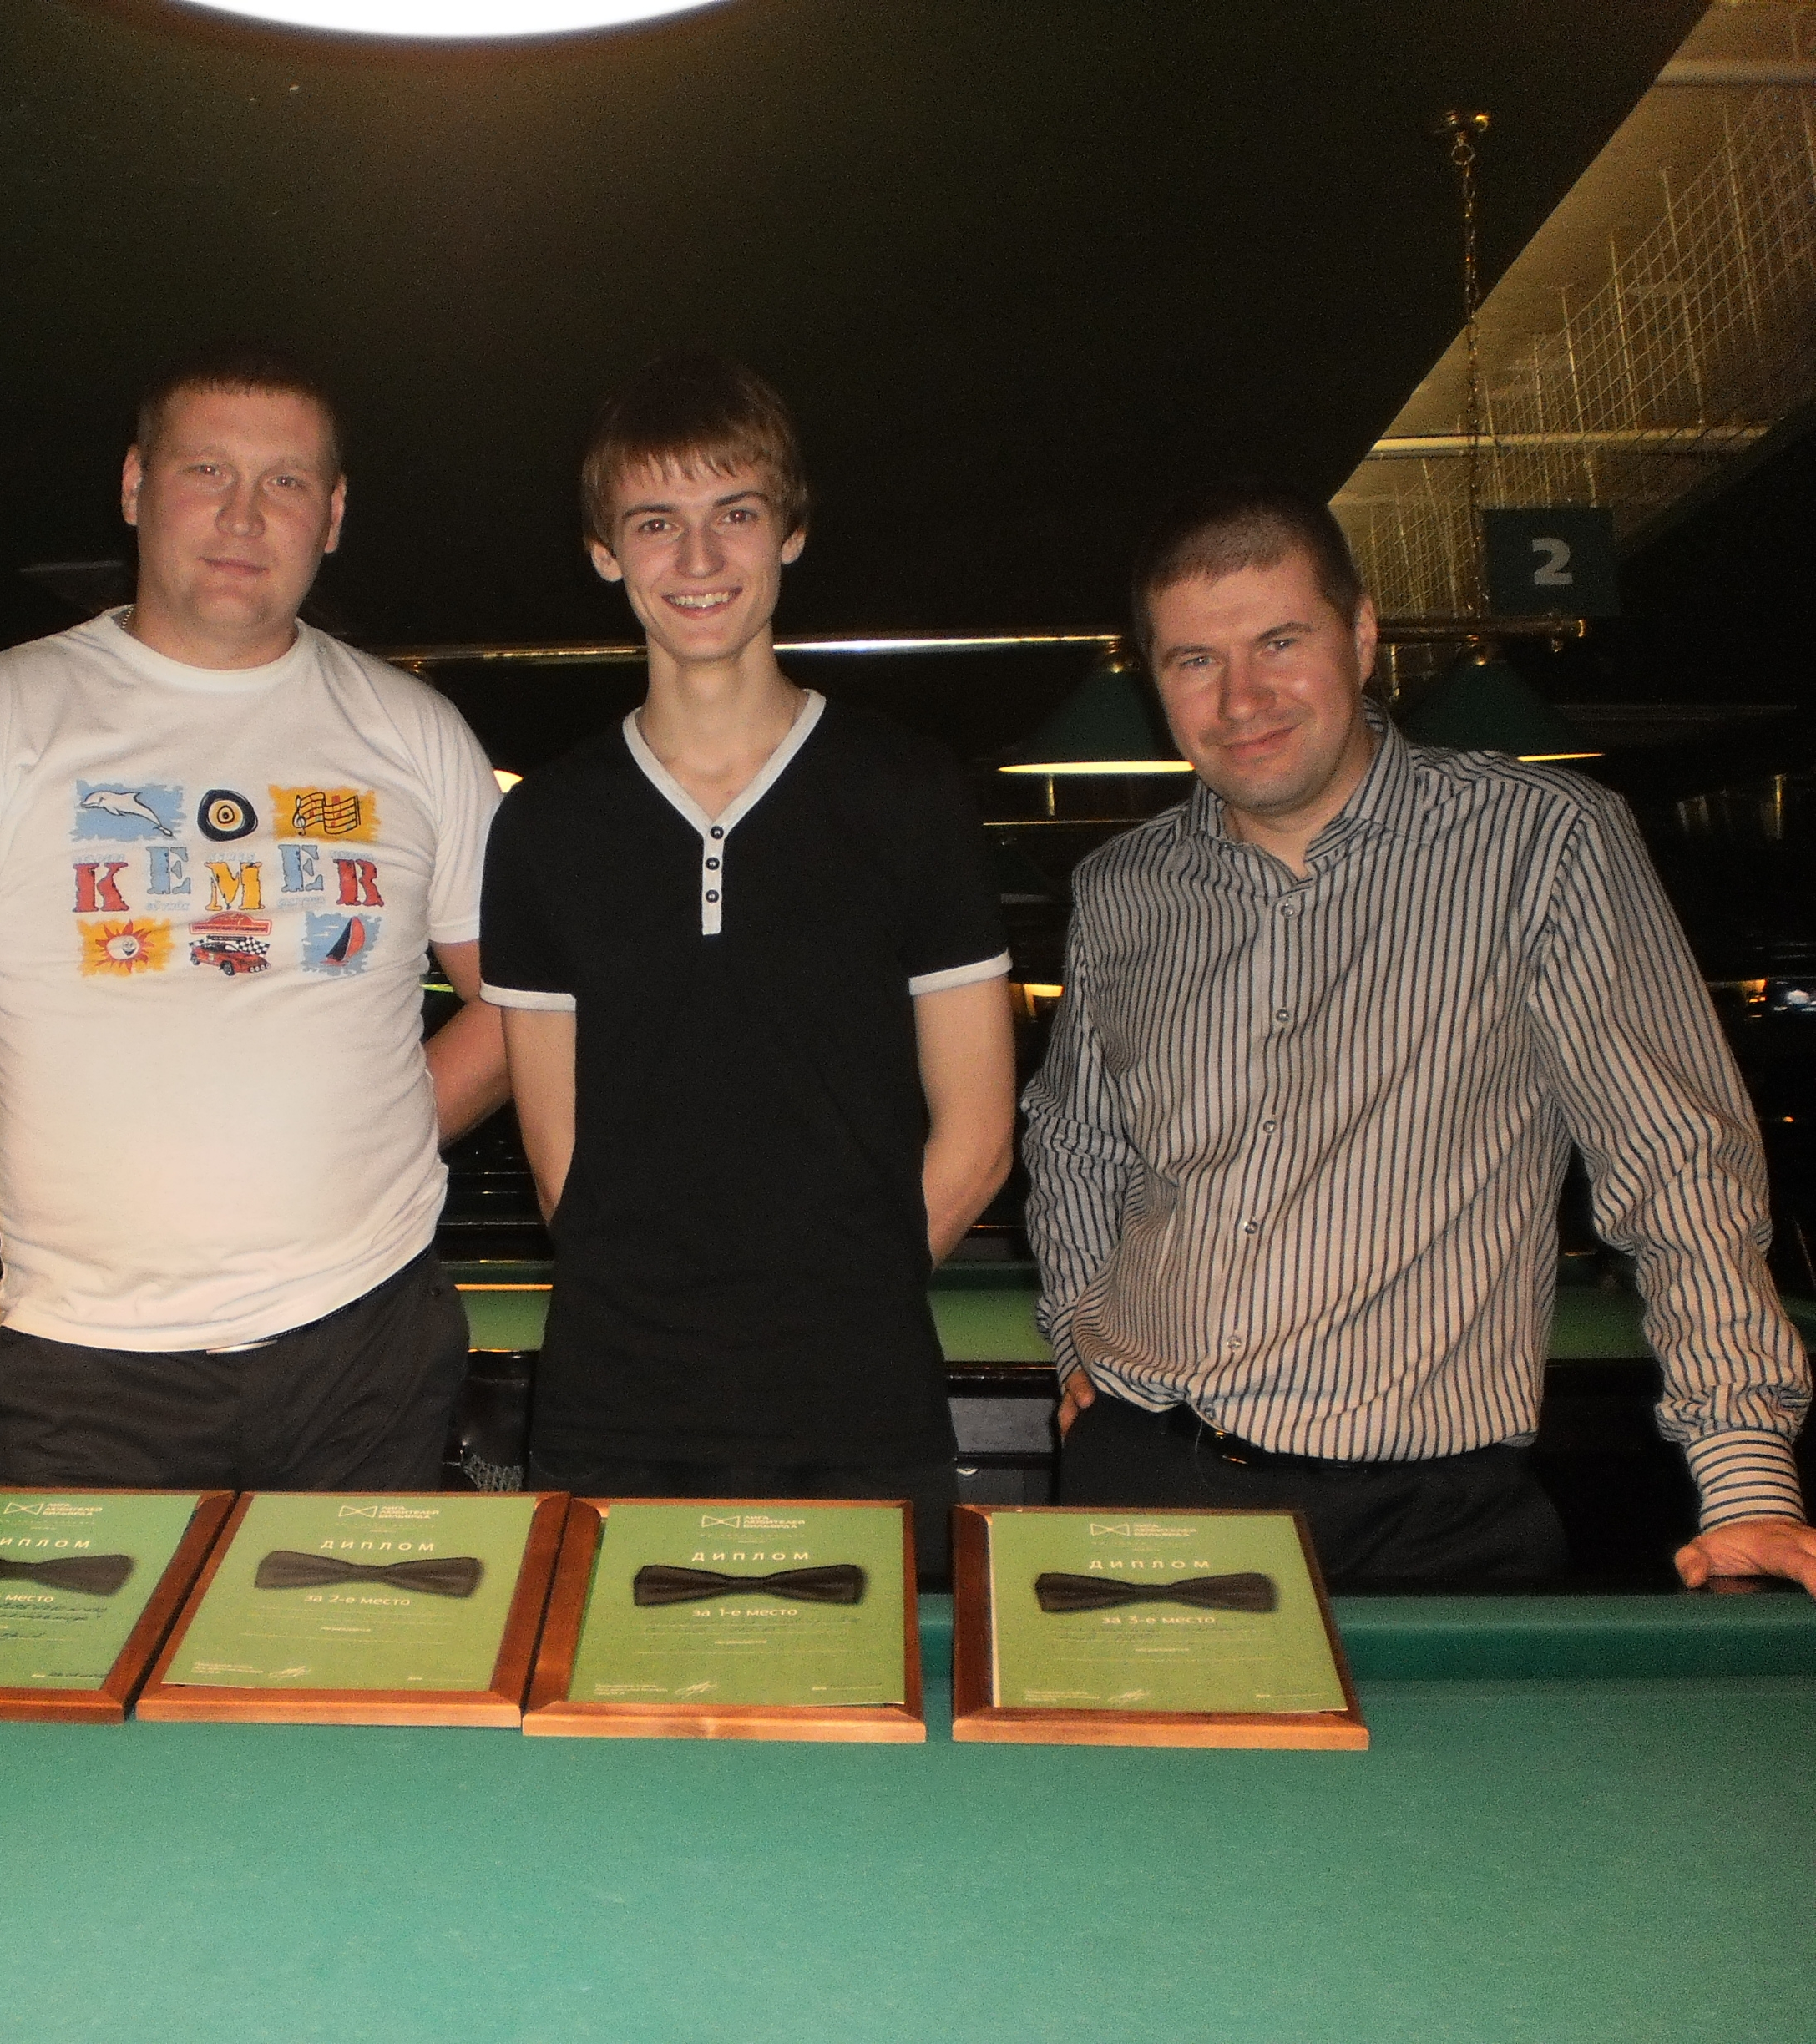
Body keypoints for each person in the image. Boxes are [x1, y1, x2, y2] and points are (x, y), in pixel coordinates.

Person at [0, 346, 507, 1561]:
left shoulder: (417, 733)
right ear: (134, 486)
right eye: (206, 471)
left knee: (344, 1683)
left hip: (367, 1350)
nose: (243, 515)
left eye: (285, 482)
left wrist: (391, 1122)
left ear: (333, 516)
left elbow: (523, 1005)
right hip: (87, 1372)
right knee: (66, 1686)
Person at [1023, 478, 1815, 1589]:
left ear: (1360, 636)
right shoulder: (1121, 887)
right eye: (1195, 660)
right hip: (1149, 1472)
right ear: (1156, 681)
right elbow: (1074, 1144)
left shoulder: (1545, 843)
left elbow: (1677, 1161)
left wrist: (1747, 1482)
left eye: (1280, 641)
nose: (1242, 697)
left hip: (1433, 1516)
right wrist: (1077, 1333)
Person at [478, 354, 1014, 1568]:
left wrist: (831, 1317)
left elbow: (980, 1134)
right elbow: (564, 1174)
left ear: (792, 531)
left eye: (735, 513)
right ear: (605, 552)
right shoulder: (546, 825)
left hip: (863, 1416)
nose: (699, 558)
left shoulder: (908, 793)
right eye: (654, 523)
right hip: (611, 1423)